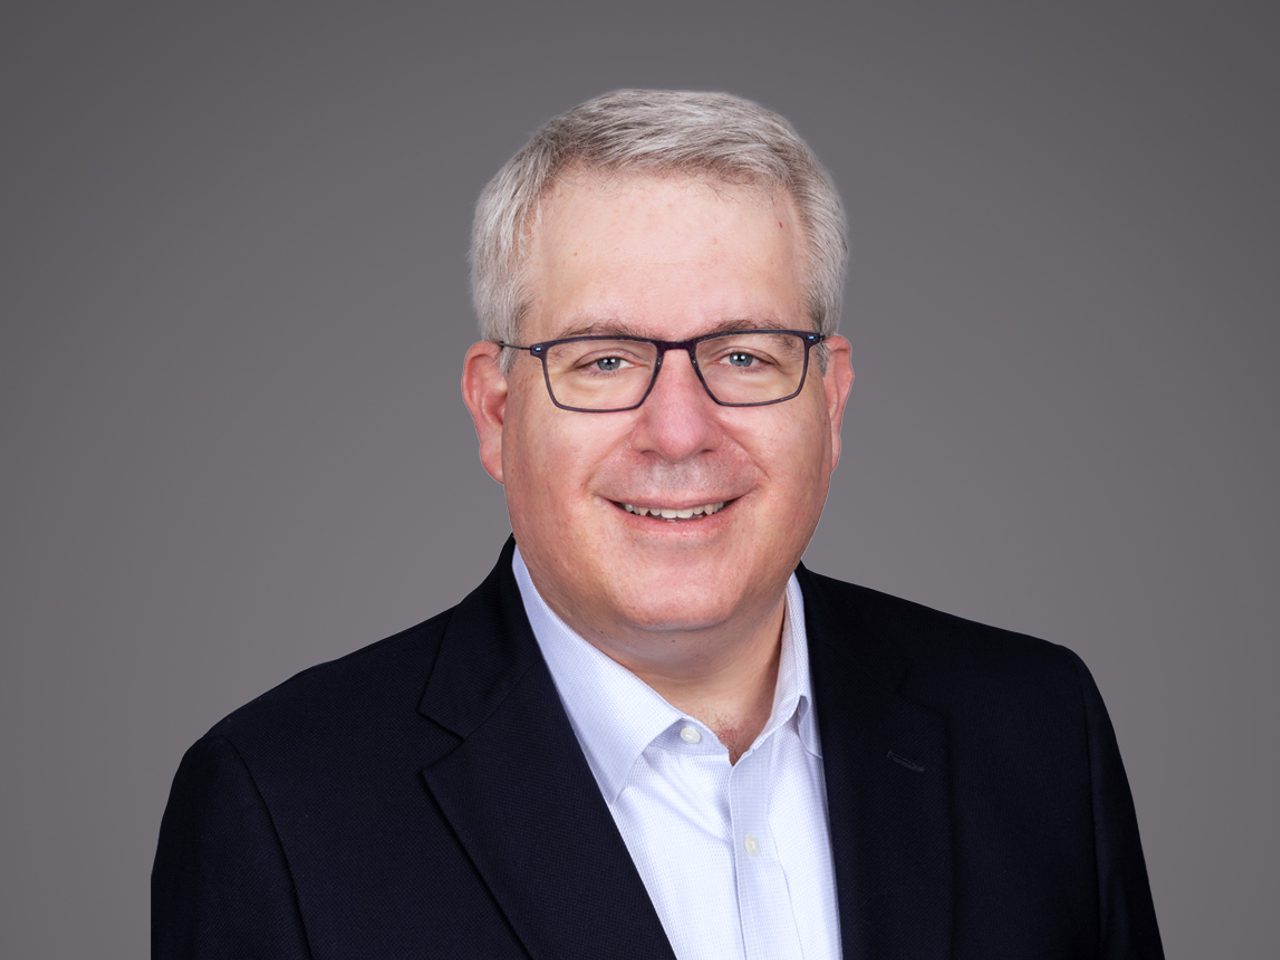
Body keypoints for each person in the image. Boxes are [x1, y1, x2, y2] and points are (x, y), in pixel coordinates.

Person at [153, 90, 1164, 959]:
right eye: (601, 359)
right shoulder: (280, 807)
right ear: (497, 412)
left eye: (743, 355)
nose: (678, 430)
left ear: (831, 400)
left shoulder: (1033, 731)